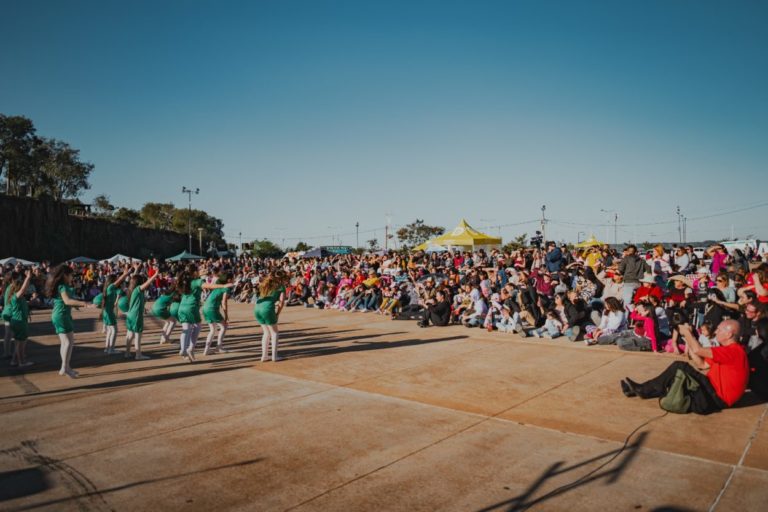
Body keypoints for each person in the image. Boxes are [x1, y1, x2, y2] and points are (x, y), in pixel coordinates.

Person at [621, 320, 748, 414]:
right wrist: (688, 339)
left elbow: (698, 350)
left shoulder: (733, 352)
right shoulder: (727, 350)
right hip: (713, 390)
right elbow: (702, 364)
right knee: (680, 371)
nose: (716, 332)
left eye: (719, 330)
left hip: (719, 398)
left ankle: (643, 390)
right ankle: (639, 390)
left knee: (680, 366)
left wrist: (687, 333)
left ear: (729, 334)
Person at [46, 264, 93, 378]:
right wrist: (84, 304)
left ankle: (65, 367)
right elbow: (67, 301)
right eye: (71, 275)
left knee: (66, 342)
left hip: (60, 315)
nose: (72, 277)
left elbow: (66, 301)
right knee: (68, 342)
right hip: (62, 315)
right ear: (65, 275)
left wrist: (76, 305)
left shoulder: (62, 285)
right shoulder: (63, 286)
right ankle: (65, 367)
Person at [124, 266, 160, 360]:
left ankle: (127, 353)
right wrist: (155, 274)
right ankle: (138, 355)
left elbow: (134, 278)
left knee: (130, 335)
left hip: (130, 315)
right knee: (137, 336)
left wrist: (136, 269)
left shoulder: (131, 290)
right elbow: (148, 282)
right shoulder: (137, 290)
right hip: (136, 316)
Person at [254, 270, 287, 362]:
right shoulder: (281, 287)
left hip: (257, 308)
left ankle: (264, 356)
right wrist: (277, 314)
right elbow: (281, 302)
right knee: (274, 333)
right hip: (267, 309)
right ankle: (274, 356)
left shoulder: (266, 284)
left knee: (266, 333)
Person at [100, 266, 131, 354]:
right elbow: (119, 281)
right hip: (109, 312)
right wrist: (125, 274)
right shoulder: (110, 287)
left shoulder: (109, 288)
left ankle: (107, 348)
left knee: (110, 331)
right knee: (114, 331)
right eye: (116, 279)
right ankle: (111, 349)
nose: (117, 280)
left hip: (107, 312)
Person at [8, 269, 33, 367]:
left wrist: (31, 302)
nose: (25, 289)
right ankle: (22, 362)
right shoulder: (16, 297)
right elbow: (23, 289)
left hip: (16, 321)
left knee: (18, 343)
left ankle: (14, 361)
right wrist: (28, 277)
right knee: (21, 344)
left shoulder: (17, 298)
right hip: (20, 322)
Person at [202, 272, 231, 355]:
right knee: (224, 326)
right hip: (212, 309)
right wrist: (226, 316)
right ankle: (219, 347)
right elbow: (224, 302)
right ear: (228, 280)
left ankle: (206, 350)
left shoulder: (217, 287)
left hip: (205, 308)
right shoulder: (226, 288)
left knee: (212, 329)